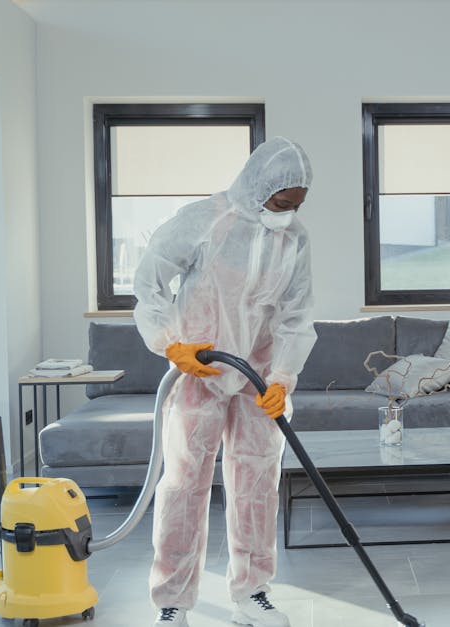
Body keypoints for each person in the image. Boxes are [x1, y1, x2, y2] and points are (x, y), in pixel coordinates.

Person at [133, 137, 317, 627]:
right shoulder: (207, 220)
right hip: (201, 370)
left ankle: (252, 592)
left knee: (258, 484)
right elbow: (149, 278)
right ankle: (172, 601)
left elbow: (297, 315)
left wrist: (283, 376)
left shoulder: (294, 239)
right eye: (281, 203)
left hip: (258, 376)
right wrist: (170, 344)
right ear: (260, 187)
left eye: (297, 205)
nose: (287, 213)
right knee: (183, 487)